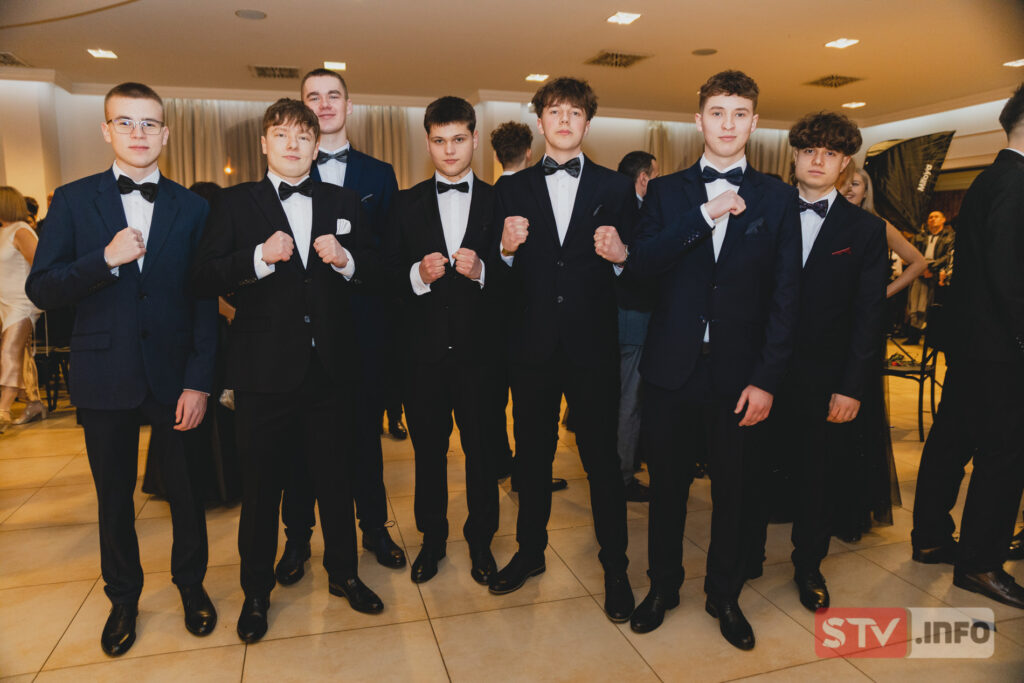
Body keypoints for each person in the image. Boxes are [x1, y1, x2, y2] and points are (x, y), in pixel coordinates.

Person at [26, 82, 218, 657]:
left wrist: (199, 380)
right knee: (113, 497)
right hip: (103, 372)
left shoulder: (193, 207)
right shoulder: (72, 199)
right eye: (126, 122)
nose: (139, 133)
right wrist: (103, 260)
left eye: (149, 123)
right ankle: (124, 598)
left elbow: (203, 300)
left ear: (166, 132)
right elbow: (42, 288)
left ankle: (192, 586)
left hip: (174, 376)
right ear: (106, 130)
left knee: (187, 493)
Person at [191, 98, 385, 642]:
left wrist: (346, 261)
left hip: (331, 368)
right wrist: (257, 257)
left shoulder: (344, 201)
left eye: (303, 136)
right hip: (262, 373)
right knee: (260, 490)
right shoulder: (234, 203)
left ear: (317, 146)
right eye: (281, 134)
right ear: (264, 144)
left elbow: (375, 273)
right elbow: (202, 277)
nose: (293, 144)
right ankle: (256, 593)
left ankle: (344, 574)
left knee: (336, 480)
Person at [628, 70, 800, 649]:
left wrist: (767, 379)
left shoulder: (778, 197)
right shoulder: (667, 192)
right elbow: (641, 265)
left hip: (741, 375)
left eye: (740, 114)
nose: (728, 124)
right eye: (718, 113)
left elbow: (786, 297)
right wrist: (704, 215)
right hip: (671, 369)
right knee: (667, 488)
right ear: (698, 120)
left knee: (735, 491)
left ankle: (724, 593)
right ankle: (663, 586)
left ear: (755, 122)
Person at [487, 77, 636, 624]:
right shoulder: (510, 189)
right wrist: (504, 250)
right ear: (540, 122)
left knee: (602, 461)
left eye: (575, 112)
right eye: (555, 111)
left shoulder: (616, 188)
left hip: (592, 347)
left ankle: (615, 567)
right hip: (531, 347)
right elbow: (493, 282)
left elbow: (639, 276)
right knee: (532, 457)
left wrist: (622, 257)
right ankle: (530, 552)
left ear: (588, 123)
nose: (565, 120)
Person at [272, 68, 405, 588]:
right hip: (299, 339)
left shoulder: (379, 175)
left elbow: (389, 261)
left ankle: (373, 528)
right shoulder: (281, 172)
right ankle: (298, 538)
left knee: (364, 441)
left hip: (362, 334)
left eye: (333, 96)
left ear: (349, 106)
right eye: (313, 97)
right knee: (297, 448)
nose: (324, 104)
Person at [756, 112, 887, 612]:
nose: (818, 160)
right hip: (759, 371)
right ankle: (745, 555)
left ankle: (808, 565)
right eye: (810, 150)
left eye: (830, 153)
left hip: (825, 377)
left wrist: (852, 386)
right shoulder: (762, 212)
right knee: (752, 470)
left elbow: (868, 316)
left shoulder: (865, 230)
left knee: (818, 478)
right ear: (794, 155)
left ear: (844, 163)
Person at [912, 82, 1024, 608]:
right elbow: (1010, 277)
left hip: (974, 342)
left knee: (951, 441)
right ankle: (980, 563)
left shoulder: (991, 178)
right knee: (1003, 455)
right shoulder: (1016, 183)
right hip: (1002, 347)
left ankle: (931, 538)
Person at [383, 96, 500, 585]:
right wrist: (416, 274)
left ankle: (481, 542)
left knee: (483, 455)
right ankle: (432, 541)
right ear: (427, 142)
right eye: (438, 140)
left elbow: (521, 285)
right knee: (428, 456)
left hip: (482, 358)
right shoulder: (403, 203)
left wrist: (484, 271)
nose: (449, 150)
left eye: (458, 139)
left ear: (474, 139)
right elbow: (384, 277)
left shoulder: (499, 201)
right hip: (422, 359)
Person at [829, 164, 926, 541]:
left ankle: (852, 510)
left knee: (857, 417)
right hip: (827, 329)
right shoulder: (828, 220)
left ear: (867, 191)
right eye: (846, 182)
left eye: (857, 183)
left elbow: (918, 262)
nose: (850, 188)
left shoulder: (877, 225)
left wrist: (882, 294)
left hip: (861, 329)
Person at [489, 121, 567, 493]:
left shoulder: (490, 195)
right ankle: (528, 473)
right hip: (530, 325)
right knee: (530, 409)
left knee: (498, 402)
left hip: (496, 324)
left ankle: (502, 462)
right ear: (529, 152)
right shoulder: (532, 195)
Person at [615, 150, 660, 502]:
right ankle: (622, 476)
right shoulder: (643, 214)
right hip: (635, 317)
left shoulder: (609, 206)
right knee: (629, 403)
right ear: (643, 178)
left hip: (607, 319)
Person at [0, 186, 45, 431]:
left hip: (22, 301)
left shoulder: (21, 230)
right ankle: (34, 402)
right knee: (21, 352)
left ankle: (3, 410)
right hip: (4, 303)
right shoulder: (3, 232)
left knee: (9, 351)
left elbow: (40, 265)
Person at [905, 210, 953, 344]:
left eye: (936, 217)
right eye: (930, 217)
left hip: (937, 273)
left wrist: (931, 268)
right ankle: (913, 336)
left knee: (931, 305)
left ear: (943, 220)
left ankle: (931, 338)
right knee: (914, 303)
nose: (932, 219)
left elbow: (948, 255)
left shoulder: (950, 236)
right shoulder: (920, 236)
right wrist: (920, 267)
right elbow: (912, 251)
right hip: (919, 270)